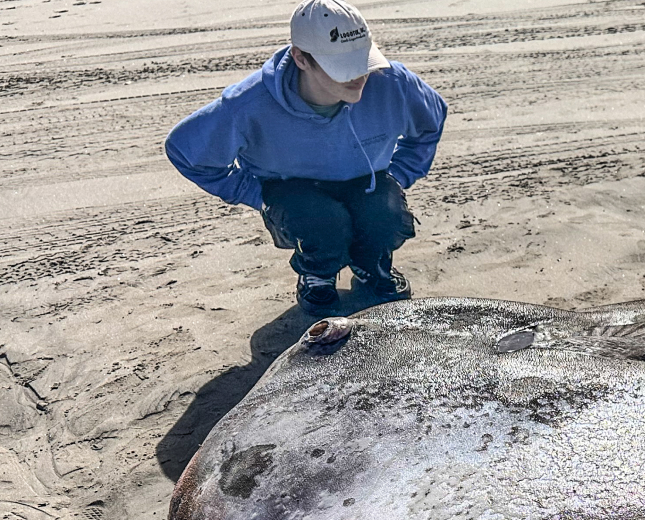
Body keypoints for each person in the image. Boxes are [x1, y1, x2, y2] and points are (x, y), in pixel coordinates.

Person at [165, 0, 447, 312]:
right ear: (301, 58)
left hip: (367, 180)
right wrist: (255, 195)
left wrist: (401, 174)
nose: (359, 75)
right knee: (324, 225)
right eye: (342, 65)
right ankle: (317, 276)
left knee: (386, 216)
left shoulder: (393, 82)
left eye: (362, 58)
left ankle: (371, 265)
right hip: (293, 191)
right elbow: (185, 151)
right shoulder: (248, 103)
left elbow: (431, 121)